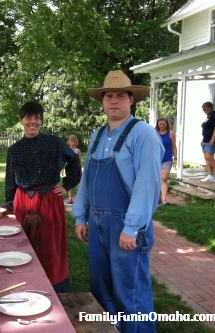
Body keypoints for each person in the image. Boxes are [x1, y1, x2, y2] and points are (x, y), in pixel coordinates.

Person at [71, 70, 164, 333]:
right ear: (102, 101)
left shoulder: (143, 133)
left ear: (131, 99)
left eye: (120, 95)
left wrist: (131, 228)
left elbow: (147, 186)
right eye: (108, 96)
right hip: (98, 225)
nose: (114, 100)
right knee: (101, 291)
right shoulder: (98, 135)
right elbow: (87, 179)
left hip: (127, 229)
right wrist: (81, 216)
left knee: (130, 296)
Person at [5, 101, 81, 293]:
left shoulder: (53, 142)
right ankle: (27, 284)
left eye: (38, 118)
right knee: (23, 243)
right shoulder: (14, 150)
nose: (34, 121)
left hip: (49, 199)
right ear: (21, 120)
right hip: (23, 200)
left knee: (50, 245)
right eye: (29, 117)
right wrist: (9, 206)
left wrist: (67, 185)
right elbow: (10, 181)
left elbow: (74, 160)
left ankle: (54, 287)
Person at [155, 117, 177, 205]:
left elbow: (174, 147)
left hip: (167, 158)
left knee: (163, 179)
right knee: (157, 179)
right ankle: (158, 198)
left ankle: (164, 199)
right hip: (156, 158)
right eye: (160, 124)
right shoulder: (154, 133)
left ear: (166, 124)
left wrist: (175, 158)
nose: (161, 126)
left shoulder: (170, 133)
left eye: (163, 124)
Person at [200, 102, 215, 183]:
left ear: (209, 108)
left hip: (211, 140)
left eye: (204, 109)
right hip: (206, 139)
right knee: (206, 157)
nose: (204, 110)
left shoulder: (214, 115)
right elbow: (207, 129)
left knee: (210, 157)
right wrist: (203, 139)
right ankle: (210, 175)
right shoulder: (208, 116)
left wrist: (213, 139)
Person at [62, 134, 82, 204]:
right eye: (71, 141)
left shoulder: (78, 151)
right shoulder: (67, 150)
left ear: (76, 142)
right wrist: (62, 169)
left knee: (79, 183)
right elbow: (64, 160)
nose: (72, 143)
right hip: (69, 170)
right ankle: (70, 198)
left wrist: (80, 170)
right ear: (69, 142)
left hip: (77, 169)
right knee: (69, 183)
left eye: (74, 141)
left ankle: (80, 198)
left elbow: (79, 160)